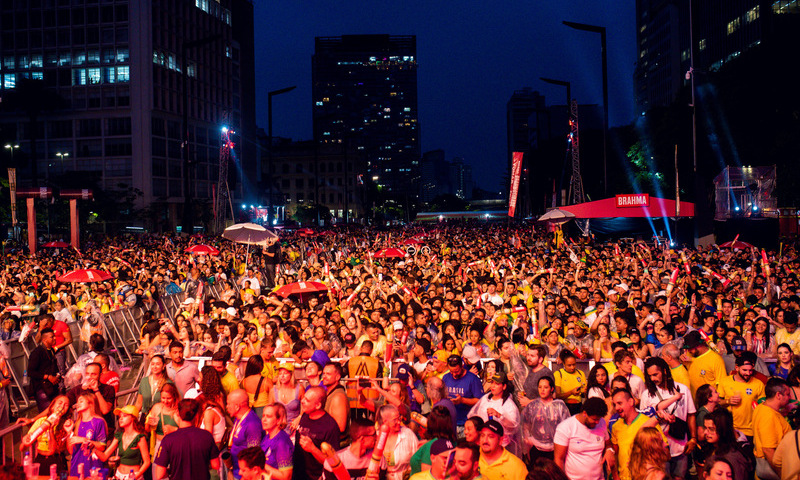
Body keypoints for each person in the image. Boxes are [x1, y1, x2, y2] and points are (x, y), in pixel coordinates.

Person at [638, 357, 697, 479]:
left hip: (681, 447)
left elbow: (691, 414)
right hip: (658, 451)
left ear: (664, 371)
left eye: (655, 374)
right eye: (650, 376)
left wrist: (693, 439)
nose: (653, 378)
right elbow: (643, 422)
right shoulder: (646, 394)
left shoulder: (683, 389)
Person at [154, 398, 221, 480]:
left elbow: (159, 474)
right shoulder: (206, 436)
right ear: (197, 415)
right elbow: (216, 464)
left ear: (178, 413)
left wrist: (172, 471)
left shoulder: (168, 440)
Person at [553, 397, 614, 480]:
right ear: (585, 413)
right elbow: (558, 459)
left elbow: (608, 445)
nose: (597, 422)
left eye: (599, 419)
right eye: (594, 419)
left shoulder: (601, 422)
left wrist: (609, 451)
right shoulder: (566, 427)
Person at [611, 388, 661, 480]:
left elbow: (663, 451)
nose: (616, 408)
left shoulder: (649, 422)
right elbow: (615, 454)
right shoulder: (616, 427)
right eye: (614, 405)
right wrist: (615, 476)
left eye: (619, 403)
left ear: (631, 402)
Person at [521, 374, 571, 465]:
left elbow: (567, 427)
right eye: (540, 387)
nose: (542, 390)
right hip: (536, 448)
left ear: (551, 389)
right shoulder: (532, 406)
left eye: (545, 387)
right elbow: (525, 425)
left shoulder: (560, 406)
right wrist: (527, 442)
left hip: (555, 448)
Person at [467, 371, 521, 455]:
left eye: (497, 384)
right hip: (483, 441)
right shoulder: (485, 399)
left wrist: (499, 415)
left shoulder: (509, 405)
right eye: (492, 383)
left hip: (501, 445)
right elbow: (474, 415)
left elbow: (513, 427)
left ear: (504, 386)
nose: (493, 386)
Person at [293, 386, 341, 480]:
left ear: (318, 405)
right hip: (299, 475)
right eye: (303, 398)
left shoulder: (330, 426)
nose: (302, 401)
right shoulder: (305, 416)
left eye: (307, 400)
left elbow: (333, 463)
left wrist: (313, 449)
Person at [717, 351, 765, 441]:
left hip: (751, 431)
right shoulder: (725, 381)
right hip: (730, 429)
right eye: (745, 370)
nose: (748, 373)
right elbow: (717, 403)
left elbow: (763, 406)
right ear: (737, 368)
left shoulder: (758, 384)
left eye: (751, 370)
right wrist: (728, 401)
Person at [95, 405, 151, 480]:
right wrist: (93, 448)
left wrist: (136, 476)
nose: (120, 419)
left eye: (124, 416)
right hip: (119, 475)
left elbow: (147, 462)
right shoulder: (119, 436)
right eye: (119, 417)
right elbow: (104, 456)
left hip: (134, 476)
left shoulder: (140, 437)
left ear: (133, 418)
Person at [20, 395, 71, 477]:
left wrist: (51, 429)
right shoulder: (41, 421)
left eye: (66, 405)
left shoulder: (66, 424)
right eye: (60, 403)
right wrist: (25, 441)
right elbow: (22, 448)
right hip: (41, 460)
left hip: (59, 460)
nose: (62, 406)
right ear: (52, 406)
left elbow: (53, 450)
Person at [696, 409, 753, 480]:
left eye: (711, 429)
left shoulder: (732, 458)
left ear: (723, 430)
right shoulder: (713, 449)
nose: (705, 432)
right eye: (705, 428)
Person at [324, 417, 388, 480]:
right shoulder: (335, 460)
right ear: (362, 439)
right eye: (374, 434)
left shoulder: (380, 459)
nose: (377, 437)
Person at [753, 378, 792, 480]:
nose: (790, 397)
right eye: (787, 394)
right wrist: (782, 475)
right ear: (778, 395)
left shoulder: (761, 407)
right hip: (772, 471)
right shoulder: (769, 416)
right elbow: (768, 450)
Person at [66, 362, 116, 434]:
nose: (89, 377)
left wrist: (96, 390)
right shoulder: (78, 389)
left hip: (103, 429)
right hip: (83, 429)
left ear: (100, 375)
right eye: (87, 374)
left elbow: (105, 410)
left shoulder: (108, 389)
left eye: (93, 374)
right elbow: (64, 401)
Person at [227, 389, 265, 480]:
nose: (226, 407)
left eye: (228, 404)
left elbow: (253, 457)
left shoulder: (252, 424)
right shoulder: (238, 418)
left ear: (237, 406)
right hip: (235, 470)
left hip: (243, 475)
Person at [68, 392, 108, 478]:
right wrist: (69, 432)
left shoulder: (98, 422)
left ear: (90, 403)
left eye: (81, 401)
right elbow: (71, 451)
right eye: (77, 402)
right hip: (76, 467)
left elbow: (102, 447)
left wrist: (84, 440)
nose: (77, 404)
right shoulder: (76, 423)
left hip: (92, 467)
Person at [442, 355, 483, 435]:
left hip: (465, 422)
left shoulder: (473, 379)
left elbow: (480, 401)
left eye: (456, 371)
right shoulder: (446, 377)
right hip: (449, 422)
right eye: (451, 371)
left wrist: (462, 400)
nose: (454, 374)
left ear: (462, 366)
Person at [377, 404, 419, 480]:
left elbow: (418, 459)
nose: (399, 422)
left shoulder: (408, 434)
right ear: (385, 421)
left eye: (399, 418)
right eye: (394, 420)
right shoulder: (377, 437)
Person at [684, 330, 727, 398]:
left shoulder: (716, 359)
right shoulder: (690, 356)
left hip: (709, 403)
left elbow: (721, 384)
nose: (688, 351)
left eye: (690, 348)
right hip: (694, 402)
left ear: (699, 345)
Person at [28, 327, 61, 411]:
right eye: (52, 337)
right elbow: (31, 372)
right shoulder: (37, 352)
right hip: (41, 388)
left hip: (52, 387)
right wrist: (48, 377)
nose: (54, 338)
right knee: (46, 414)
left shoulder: (51, 350)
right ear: (44, 339)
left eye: (54, 336)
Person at [145, 383, 180, 460]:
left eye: (168, 398)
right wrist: (148, 424)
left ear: (174, 397)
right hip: (159, 445)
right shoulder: (156, 408)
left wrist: (174, 429)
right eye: (163, 398)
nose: (165, 401)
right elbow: (147, 430)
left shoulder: (179, 411)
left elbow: (187, 432)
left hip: (175, 446)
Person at [260, 403, 293, 480]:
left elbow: (286, 476)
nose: (264, 420)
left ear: (279, 420)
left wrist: (260, 464)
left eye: (268, 416)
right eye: (263, 416)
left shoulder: (282, 442)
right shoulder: (267, 437)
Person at [322, 362, 350, 443]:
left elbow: (340, 427)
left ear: (337, 377)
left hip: (336, 446)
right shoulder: (330, 393)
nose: (324, 376)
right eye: (324, 373)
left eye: (328, 374)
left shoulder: (338, 397)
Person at [554, 350, 586, 415]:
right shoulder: (559, 374)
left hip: (578, 406)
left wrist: (584, 392)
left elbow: (584, 394)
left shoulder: (581, 373)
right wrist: (571, 392)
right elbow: (557, 396)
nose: (572, 367)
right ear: (564, 364)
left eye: (574, 364)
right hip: (564, 407)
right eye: (569, 365)